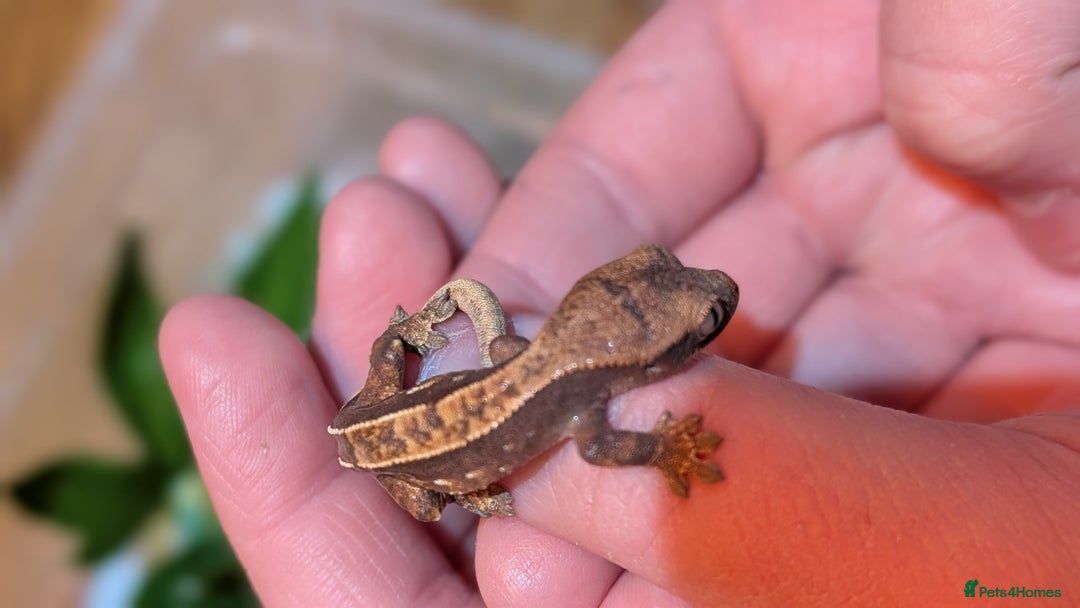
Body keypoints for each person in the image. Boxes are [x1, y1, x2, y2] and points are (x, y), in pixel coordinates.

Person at [160, 2, 1079, 605]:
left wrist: (418, 348)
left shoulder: (545, 366)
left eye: (678, 286)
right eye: (699, 323)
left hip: (402, 406)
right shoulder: (575, 397)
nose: (717, 293)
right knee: (433, 499)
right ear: (635, 362)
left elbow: (543, 401)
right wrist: (660, 449)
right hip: (404, 453)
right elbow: (600, 449)